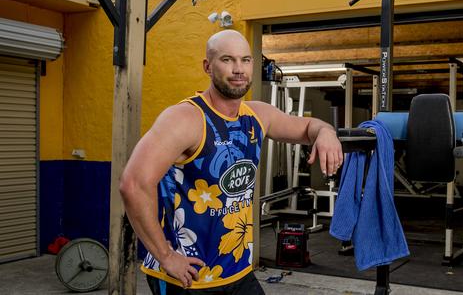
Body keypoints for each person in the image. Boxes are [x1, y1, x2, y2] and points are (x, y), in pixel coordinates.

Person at [119, 30, 343, 294]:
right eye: (228, 60)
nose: (239, 69)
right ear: (207, 66)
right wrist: (166, 256)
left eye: (245, 60)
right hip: (187, 275)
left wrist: (326, 132)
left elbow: (308, 127)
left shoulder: (257, 115)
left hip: (235, 270)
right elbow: (133, 184)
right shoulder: (186, 118)